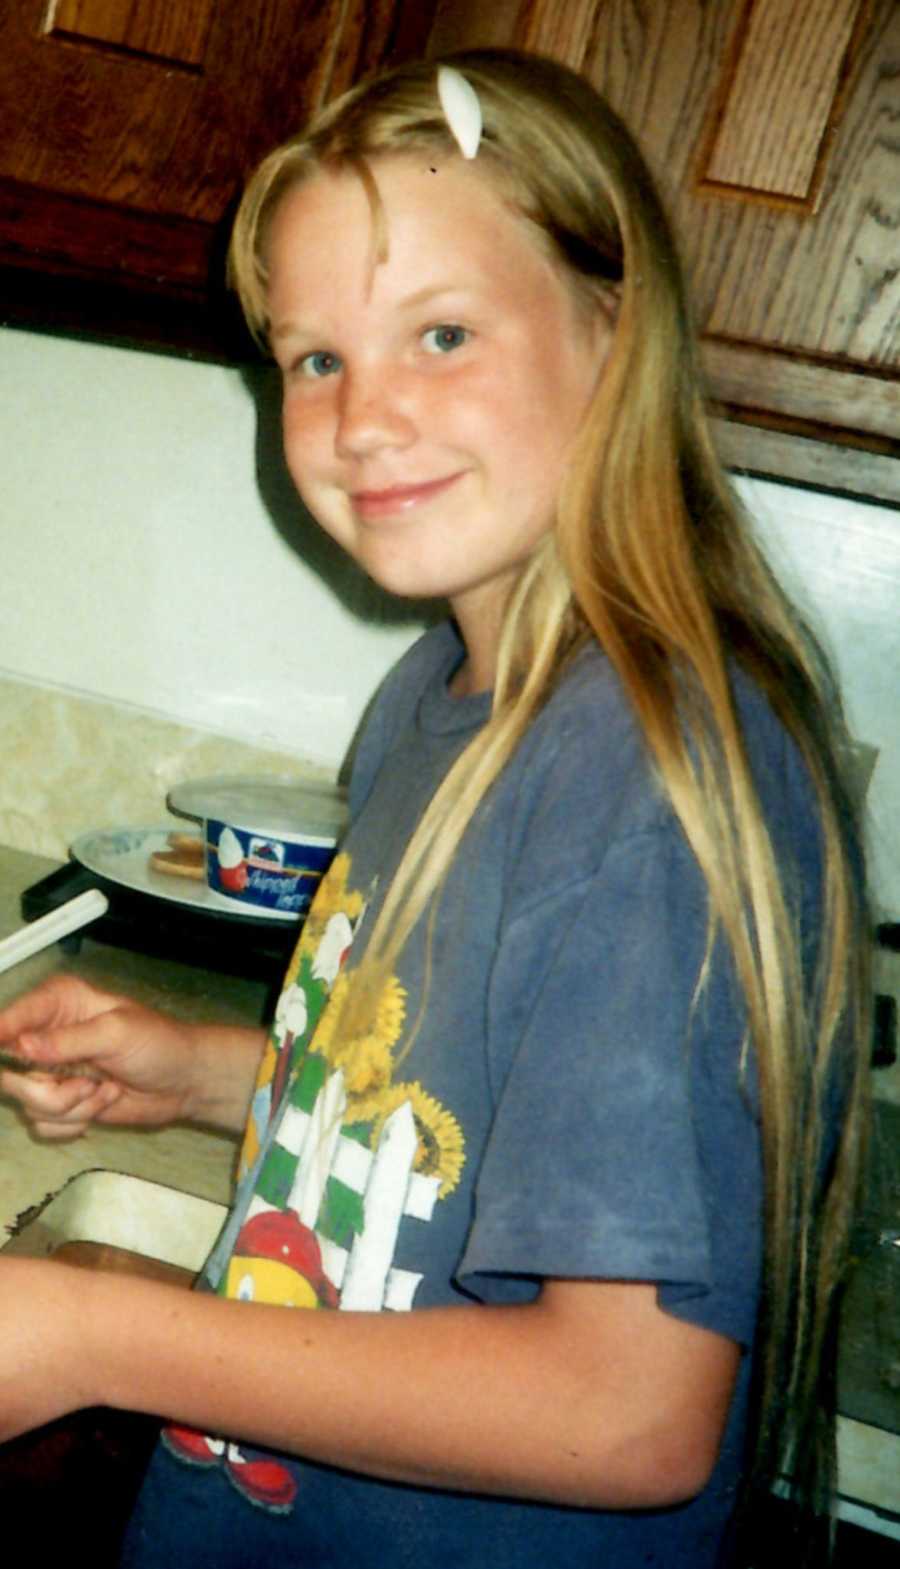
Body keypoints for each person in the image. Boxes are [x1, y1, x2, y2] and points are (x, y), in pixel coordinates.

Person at [0, 48, 870, 1568]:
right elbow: (461, 1115)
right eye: (314, 358)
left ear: (614, 335)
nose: (362, 416)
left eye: (442, 333)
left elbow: (626, 1408)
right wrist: (209, 1072)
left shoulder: (651, 770)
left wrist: (99, 1331)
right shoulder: (438, 696)